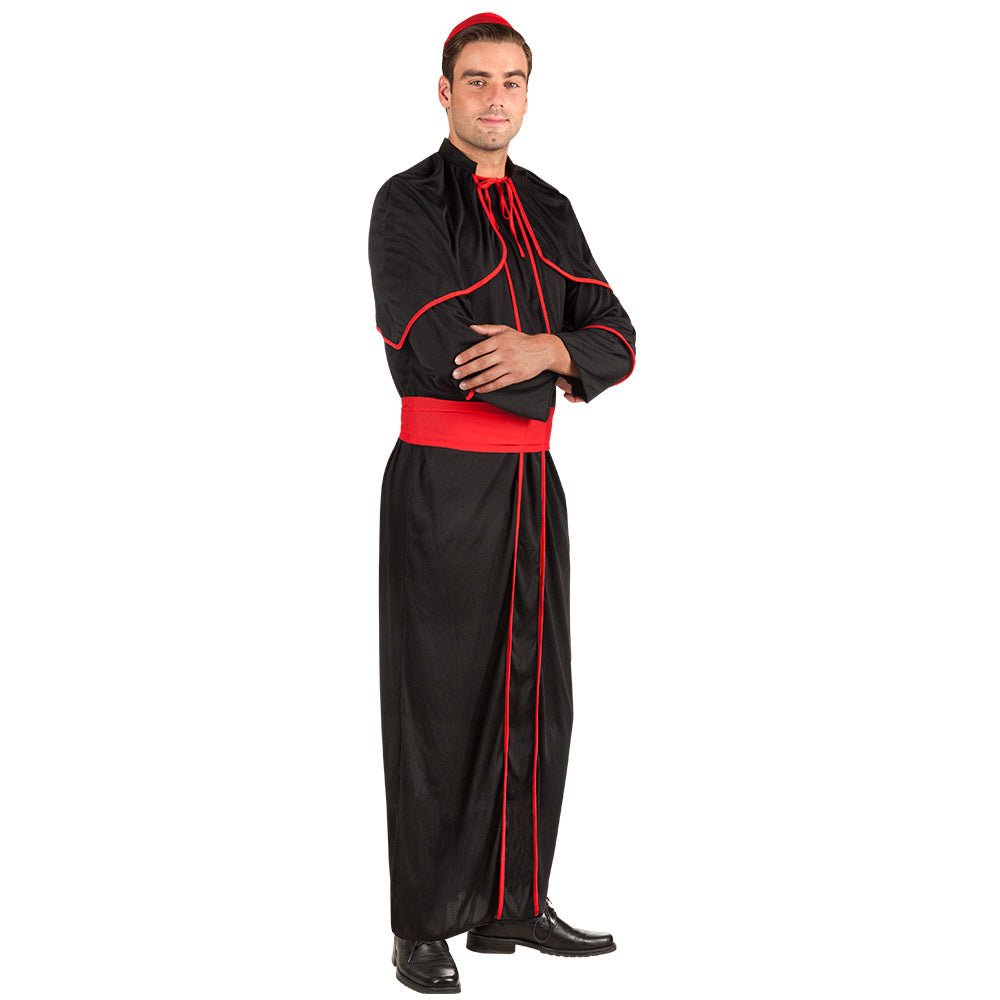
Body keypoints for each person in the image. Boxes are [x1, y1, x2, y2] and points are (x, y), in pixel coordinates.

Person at [368, 12, 637, 994]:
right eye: (477, 81)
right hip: (442, 483)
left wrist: (549, 349)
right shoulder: (406, 203)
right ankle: (421, 924)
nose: (495, 98)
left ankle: (512, 903)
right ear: (445, 93)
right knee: (437, 706)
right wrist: (554, 361)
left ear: (527, 94)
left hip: (531, 482)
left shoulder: (550, 206)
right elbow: (440, 346)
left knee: (534, 694)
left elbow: (616, 332)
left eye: (511, 81)